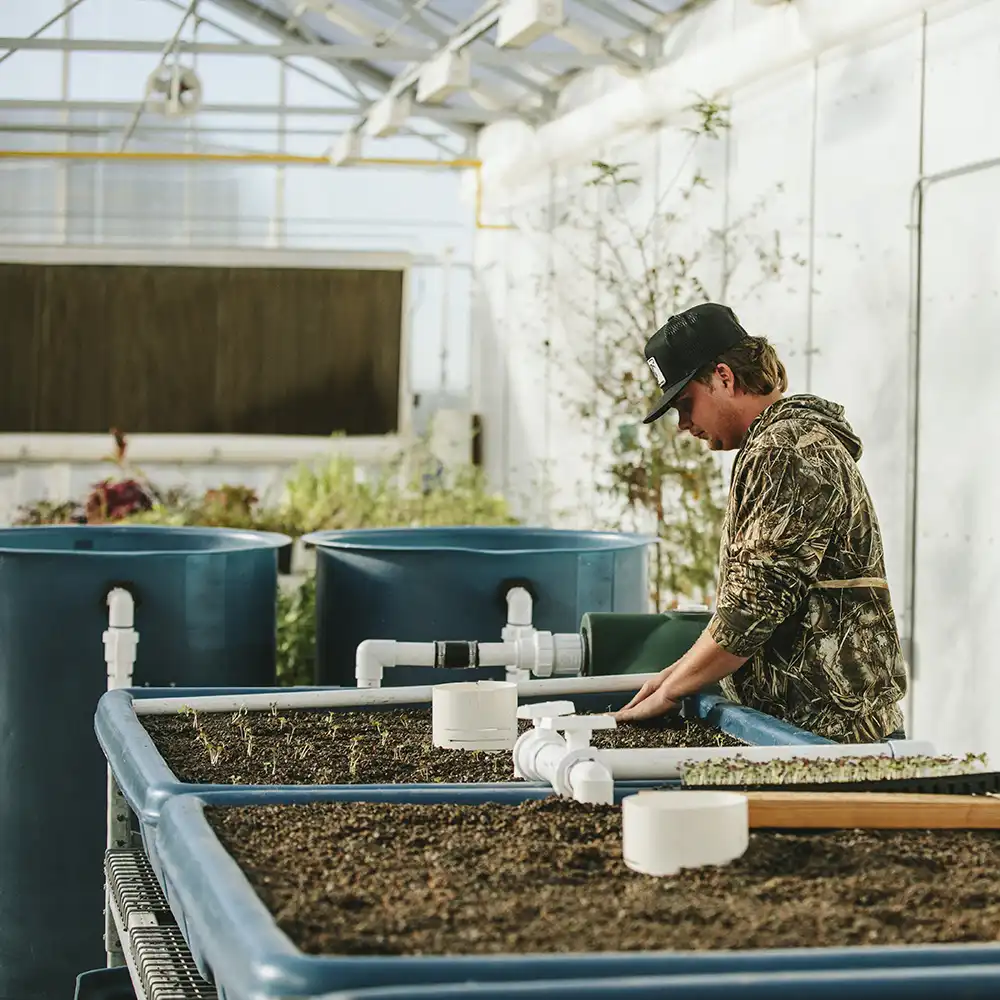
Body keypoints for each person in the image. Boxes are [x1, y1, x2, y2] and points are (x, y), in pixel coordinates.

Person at [614, 302, 907, 743]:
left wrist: (670, 691)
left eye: (685, 403)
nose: (683, 424)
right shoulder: (785, 443)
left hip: (830, 745)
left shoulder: (785, 450)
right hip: (811, 735)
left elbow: (752, 609)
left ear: (723, 378)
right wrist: (672, 674)